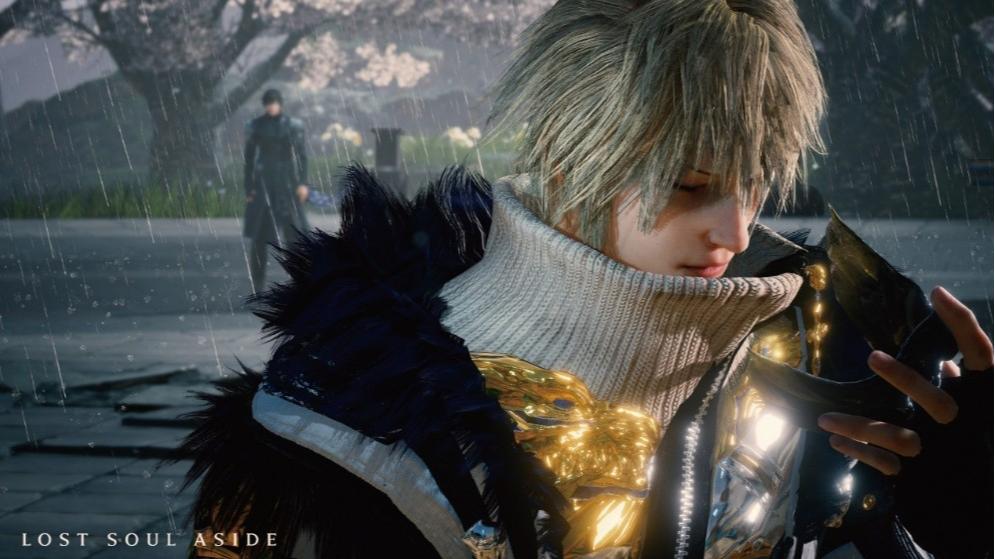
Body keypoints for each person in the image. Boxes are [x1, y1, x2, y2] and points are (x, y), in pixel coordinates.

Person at [171, 1, 993, 558]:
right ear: (570, 165)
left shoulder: (820, 361)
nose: (737, 231)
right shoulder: (339, 432)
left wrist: (964, 515)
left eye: (753, 183)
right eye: (691, 185)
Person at [243, 88, 310, 292]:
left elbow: (302, 156)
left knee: (294, 236)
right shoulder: (257, 126)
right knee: (259, 238)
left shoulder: (292, 126)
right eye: (268, 103)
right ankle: (258, 286)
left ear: (280, 104)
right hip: (264, 182)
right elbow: (249, 159)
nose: (271, 107)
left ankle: (300, 283)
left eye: (274, 103)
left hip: (287, 183)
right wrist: (249, 187)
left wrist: (302, 183)